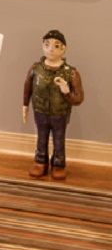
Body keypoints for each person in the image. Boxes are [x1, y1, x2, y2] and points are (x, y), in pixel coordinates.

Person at [22, 29, 84, 180]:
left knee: (58, 139)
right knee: (41, 137)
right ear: (42, 46)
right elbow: (27, 87)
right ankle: (40, 162)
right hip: (40, 111)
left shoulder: (71, 73)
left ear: (64, 49)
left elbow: (79, 98)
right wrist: (25, 106)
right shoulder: (36, 69)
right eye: (47, 44)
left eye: (56, 46)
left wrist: (66, 91)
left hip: (59, 114)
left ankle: (58, 164)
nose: (51, 48)